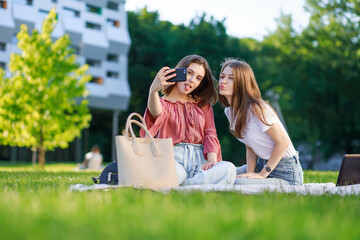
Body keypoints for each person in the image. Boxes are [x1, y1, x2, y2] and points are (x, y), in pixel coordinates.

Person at [141, 54, 236, 186]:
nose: (192, 80)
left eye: (198, 78)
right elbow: (155, 112)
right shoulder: (163, 103)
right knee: (176, 173)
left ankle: (184, 185)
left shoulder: (203, 105)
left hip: (201, 160)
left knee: (229, 169)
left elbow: (210, 133)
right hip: (173, 158)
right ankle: (193, 185)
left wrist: (212, 161)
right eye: (189, 73)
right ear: (178, 71)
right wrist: (153, 91)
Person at [218, 58, 303, 185]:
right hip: (261, 164)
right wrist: (249, 174)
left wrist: (263, 174)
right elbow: (250, 146)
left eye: (231, 78)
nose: (223, 81)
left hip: (285, 172)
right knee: (223, 175)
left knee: (237, 183)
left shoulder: (257, 109)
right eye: (222, 76)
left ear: (242, 83)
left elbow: (283, 143)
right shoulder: (229, 111)